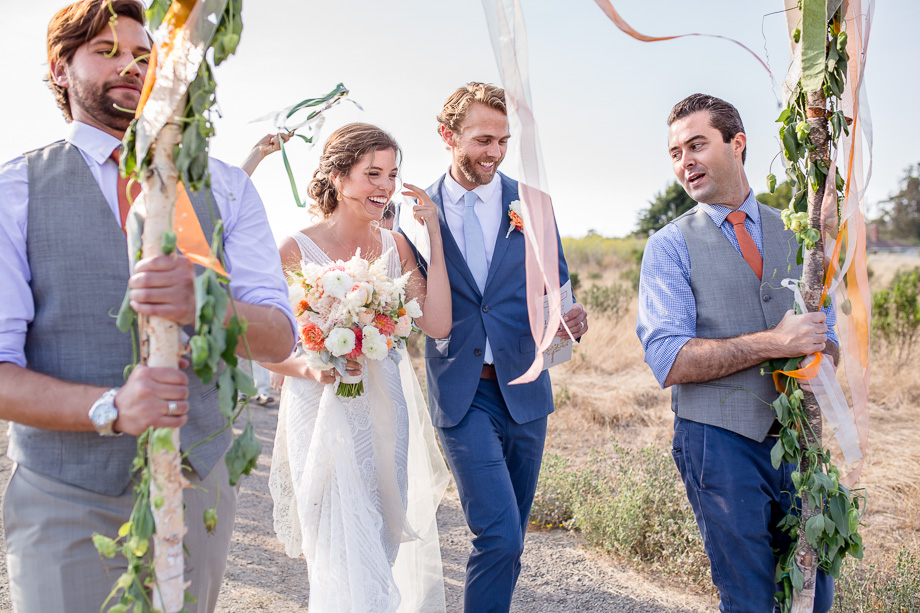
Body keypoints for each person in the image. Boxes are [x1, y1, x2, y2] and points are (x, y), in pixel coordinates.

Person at [0, 2, 296, 612]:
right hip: (63, 494)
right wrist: (109, 407)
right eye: (105, 52)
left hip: (196, 482)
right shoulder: (15, 191)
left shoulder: (227, 187)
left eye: (143, 55)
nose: (130, 67)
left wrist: (207, 306)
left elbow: (278, 336)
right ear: (61, 68)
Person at [636, 93, 838, 612]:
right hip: (718, 444)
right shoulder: (669, 245)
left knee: (813, 597)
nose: (685, 162)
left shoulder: (800, 234)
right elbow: (669, 360)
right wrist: (775, 343)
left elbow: (828, 336)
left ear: (738, 143)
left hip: (801, 444)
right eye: (676, 152)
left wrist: (821, 353)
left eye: (697, 145)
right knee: (749, 599)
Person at [247, 123, 452, 612]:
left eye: (392, 175)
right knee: (335, 542)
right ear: (339, 178)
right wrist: (308, 368)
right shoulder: (294, 249)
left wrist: (435, 236)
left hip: (386, 409)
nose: (384, 187)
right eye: (372, 174)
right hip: (317, 407)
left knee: (379, 532)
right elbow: (262, 344)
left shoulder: (395, 246)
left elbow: (440, 324)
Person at [404, 83, 588, 613]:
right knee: (499, 535)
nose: (495, 152)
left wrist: (569, 321)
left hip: (527, 393)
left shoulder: (534, 205)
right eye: (484, 139)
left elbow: (558, 292)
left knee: (513, 540)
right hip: (462, 395)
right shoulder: (413, 213)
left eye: (504, 141)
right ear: (448, 136)